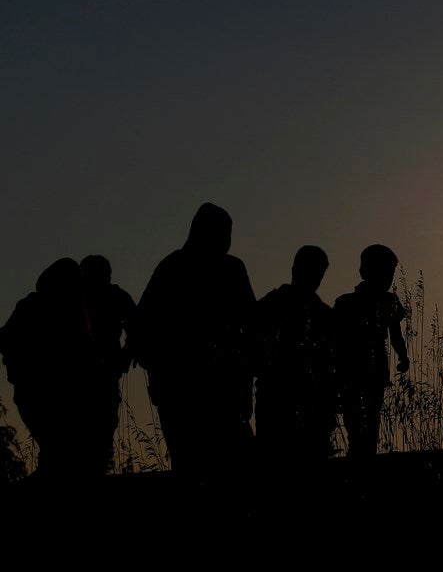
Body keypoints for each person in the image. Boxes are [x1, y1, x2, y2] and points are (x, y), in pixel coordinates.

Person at [130, 202, 257, 478]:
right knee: (194, 467)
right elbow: (143, 326)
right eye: (222, 233)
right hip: (184, 389)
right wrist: (161, 374)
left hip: (224, 387)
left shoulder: (230, 269)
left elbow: (251, 326)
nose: (225, 241)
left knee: (235, 465)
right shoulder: (173, 268)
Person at [0, 257, 109, 480]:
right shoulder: (45, 308)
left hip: (48, 393)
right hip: (43, 392)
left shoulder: (71, 312)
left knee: (60, 453)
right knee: (61, 451)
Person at [252, 245, 339, 477]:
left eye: (318, 273)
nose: (315, 279)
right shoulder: (276, 306)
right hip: (280, 402)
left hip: (301, 404)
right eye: (313, 272)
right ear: (295, 269)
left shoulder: (321, 314)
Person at [333, 244, 410, 457]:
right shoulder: (347, 303)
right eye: (383, 272)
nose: (387, 278)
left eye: (390, 274)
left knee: (370, 426)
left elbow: (396, 334)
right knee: (357, 427)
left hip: (374, 373)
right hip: (353, 373)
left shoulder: (389, 301)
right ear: (365, 272)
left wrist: (403, 356)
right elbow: (337, 341)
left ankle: (363, 462)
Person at [81, 254, 137, 473]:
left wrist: (127, 353)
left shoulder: (116, 296)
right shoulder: (78, 298)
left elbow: (138, 326)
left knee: (102, 424)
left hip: (105, 368)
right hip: (83, 371)